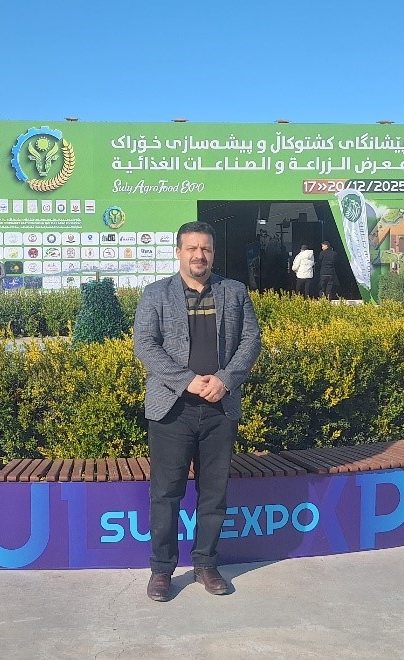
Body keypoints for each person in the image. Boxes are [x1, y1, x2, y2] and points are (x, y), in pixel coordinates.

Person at [133, 221, 261, 602]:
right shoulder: (156, 294)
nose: (199, 255)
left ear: (213, 253)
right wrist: (187, 380)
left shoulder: (234, 292)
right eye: (191, 248)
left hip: (220, 408)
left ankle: (206, 563)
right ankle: (162, 570)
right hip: (172, 409)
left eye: (205, 248)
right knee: (165, 494)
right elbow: (145, 344)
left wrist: (226, 379)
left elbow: (251, 340)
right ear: (178, 252)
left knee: (214, 493)